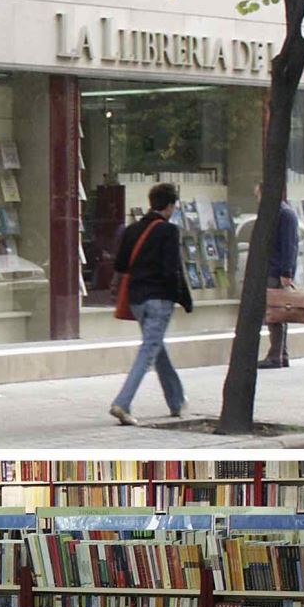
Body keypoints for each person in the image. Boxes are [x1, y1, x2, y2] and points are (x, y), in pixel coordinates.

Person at [110, 183, 193, 426]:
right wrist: (184, 298)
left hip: (137, 300)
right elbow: (173, 269)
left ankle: (176, 400)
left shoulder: (132, 229)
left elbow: (121, 266)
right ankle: (122, 403)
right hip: (159, 298)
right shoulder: (168, 231)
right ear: (169, 206)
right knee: (149, 350)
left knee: (156, 348)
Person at [259, 185, 299, 369]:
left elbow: (289, 245)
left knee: (275, 314)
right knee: (278, 312)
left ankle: (276, 355)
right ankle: (281, 353)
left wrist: (286, 272)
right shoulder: (279, 213)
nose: (258, 197)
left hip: (276, 271)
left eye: (259, 193)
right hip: (274, 269)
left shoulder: (284, 213)